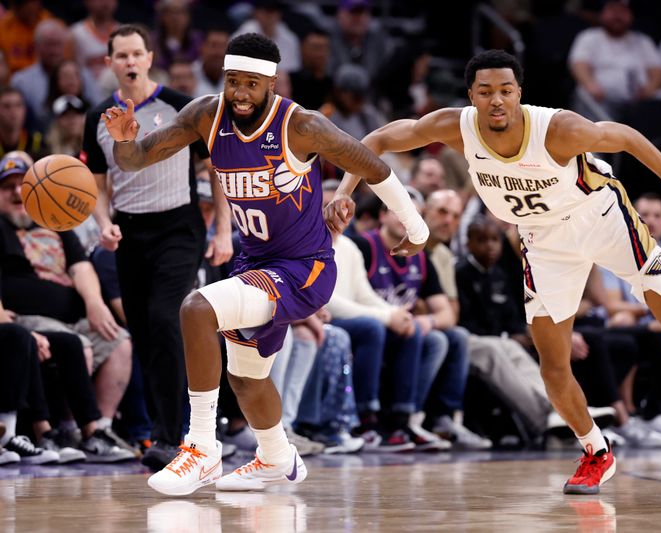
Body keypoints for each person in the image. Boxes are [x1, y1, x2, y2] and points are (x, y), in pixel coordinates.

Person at [325, 49, 661, 495]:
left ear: (519, 92)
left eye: (506, 90)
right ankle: (595, 450)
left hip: (602, 219)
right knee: (553, 366)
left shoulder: (556, 129)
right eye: (485, 91)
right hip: (543, 241)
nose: (497, 100)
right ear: (471, 96)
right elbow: (377, 140)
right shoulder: (456, 126)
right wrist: (345, 190)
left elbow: (627, 136)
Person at [100, 32, 428, 495]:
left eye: (251, 84)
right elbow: (136, 160)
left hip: (304, 268)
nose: (239, 93)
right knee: (246, 379)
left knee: (197, 308)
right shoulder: (205, 114)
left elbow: (375, 166)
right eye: (232, 81)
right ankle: (276, 457)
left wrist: (417, 230)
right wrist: (122, 142)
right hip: (255, 264)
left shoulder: (303, 125)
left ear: (270, 84)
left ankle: (200, 447)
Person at [82, 24, 233, 470]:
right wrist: (103, 224)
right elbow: (96, 185)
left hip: (178, 227)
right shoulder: (98, 118)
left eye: (136, 54)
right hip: (129, 231)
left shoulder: (181, 107)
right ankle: (164, 432)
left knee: (168, 322)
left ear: (150, 58)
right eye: (120, 56)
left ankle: (174, 437)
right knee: (147, 335)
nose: (129, 62)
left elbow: (216, 171)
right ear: (109, 63)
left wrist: (221, 231)